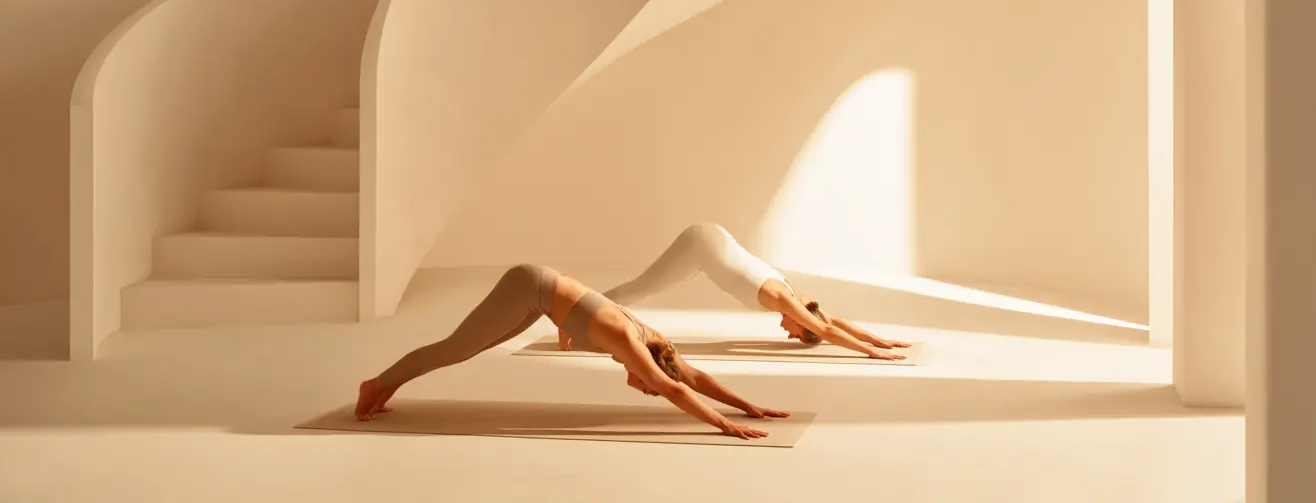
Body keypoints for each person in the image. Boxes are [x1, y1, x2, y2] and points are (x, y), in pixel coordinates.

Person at [353, 263, 788, 439]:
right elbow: (675, 389)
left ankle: (387, 386)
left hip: (538, 297)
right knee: (457, 348)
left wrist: (748, 406)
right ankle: (374, 385)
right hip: (528, 287)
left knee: (466, 349)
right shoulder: (630, 342)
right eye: (646, 387)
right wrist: (724, 425)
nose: (642, 389)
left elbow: (691, 377)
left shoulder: (655, 341)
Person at [594, 223, 911, 360]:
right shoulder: (782, 298)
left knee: (645, 287)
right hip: (701, 245)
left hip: (709, 249)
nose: (789, 334)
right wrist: (873, 353)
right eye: (798, 334)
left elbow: (833, 321)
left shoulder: (798, 298)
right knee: (642, 287)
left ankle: (588, 311)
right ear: (804, 323)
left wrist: (880, 339)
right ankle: (584, 310)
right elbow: (827, 329)